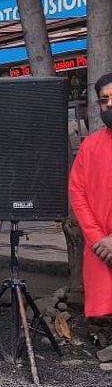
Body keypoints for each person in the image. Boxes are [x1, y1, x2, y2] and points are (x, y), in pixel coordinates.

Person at [68, 71, 112, 318]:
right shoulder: (90, 146)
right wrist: (99, 240)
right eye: (103, 100)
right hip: (101, 248)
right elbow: (78, 194)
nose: (109, 104)